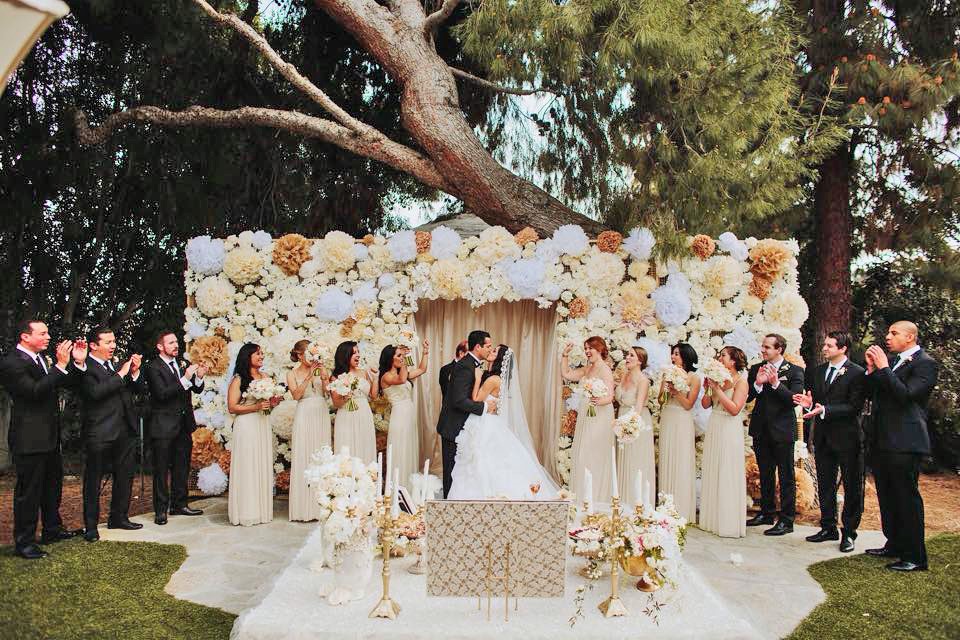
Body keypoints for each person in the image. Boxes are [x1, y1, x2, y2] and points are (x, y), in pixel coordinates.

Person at [0, 320, 86, 559]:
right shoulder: (11, 363)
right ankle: (24, 542)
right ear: (25, 337)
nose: (48, 337)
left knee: (52, 486)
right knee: (29, 492)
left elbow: (64, 383)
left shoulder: (42, 360)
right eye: (43, 333)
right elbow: (34, 392)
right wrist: (59, 365)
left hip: (49, 437)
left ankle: (52, 530)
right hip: (29, 438)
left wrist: (76, 363)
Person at [863, 321, 939, 572]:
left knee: (906, 498)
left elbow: (906, 395)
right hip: (884, 439)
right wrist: (873, 370)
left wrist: (884, 368)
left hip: (906, 441)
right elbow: (877, 394)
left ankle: (916, 556)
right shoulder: (894, 362)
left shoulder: (925, 363)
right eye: (888, 332)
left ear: (910, 337)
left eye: (894, 333)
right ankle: (894, 544)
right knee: (887, 495)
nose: (888, 337)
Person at [448, 344, 558, 500]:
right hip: (492, 422)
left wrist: (478, 379)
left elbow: (476, 399)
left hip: (484, 423)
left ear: (499, 358)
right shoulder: (500, 380)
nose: (490, 351)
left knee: (480, 460)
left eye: (494, 351)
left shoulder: (493, 379)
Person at [793, 331, 866, 553]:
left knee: (852, 486)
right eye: (824, 344)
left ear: (843, 348)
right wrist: (808, 404)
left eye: (830, 345)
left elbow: (855, 407)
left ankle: (849, 532)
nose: (824, 348)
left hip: (848, 438)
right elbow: (815, 403)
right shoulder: (818, 372)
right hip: (824, 437)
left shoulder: (857, 373)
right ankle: (828, 527)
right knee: (825, 483)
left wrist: (825, 409)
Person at [78, 326, 145, 542]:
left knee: (124, 476)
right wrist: (122, 374)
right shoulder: (84, 367)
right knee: (93, 480)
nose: (113, 345)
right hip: (100, 432)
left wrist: (134, 373)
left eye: (114, 341)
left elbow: (137, 391)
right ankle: (90, 526)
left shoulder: (116, 366)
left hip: (124, 431)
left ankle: (119, 517)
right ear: (93, 345)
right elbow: (95, 394)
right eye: (108, 342)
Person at [144, 330, 206, 526]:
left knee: (182, 467)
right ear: (160, 346)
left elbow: (195, 388)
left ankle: (179, 504)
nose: (175, 345)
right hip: (162, 426)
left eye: (176, 342)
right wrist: (186, 378)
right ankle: (161, 510)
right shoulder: (153, 367)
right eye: (171, 343)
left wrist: (199, 378)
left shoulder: (182, 364)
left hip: (183, 424)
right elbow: (162, 394)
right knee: (162, 469)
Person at [746, 333, 804, 536]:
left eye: (768, 347)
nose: (763, 350)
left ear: (779, 349)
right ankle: (767, 512)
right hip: (761, 429)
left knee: (786, 475)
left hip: (782, 431)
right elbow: (748, 397)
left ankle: (787, 520)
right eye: (763, 346)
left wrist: (775, 383)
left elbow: (793, 400)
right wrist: (758, 383)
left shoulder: (795, 371)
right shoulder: (755, 369)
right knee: (766, 472)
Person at [437, 330, 497, 497]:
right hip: (453, 427)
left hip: (464, 428)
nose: (490, 350)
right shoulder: (465, 366)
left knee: (459, 473)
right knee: (451, 473)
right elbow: (459, 400)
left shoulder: (474, 364)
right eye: (488, 346)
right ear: (478, 347)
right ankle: (448, 509)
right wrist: (484, 407)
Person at [699, 346, 749, 538]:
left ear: (734, 361)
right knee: (714, 467)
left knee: (727, 468)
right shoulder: (718, 379)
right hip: (715, 424)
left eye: (723, 356)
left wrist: (718, 390)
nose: (719, 358)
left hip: (729, 427)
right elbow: (705, 405)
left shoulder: (740, 382)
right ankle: (711, 519)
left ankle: (727, 521)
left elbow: (735, 409)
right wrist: (707, 389)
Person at [563, 336, 616, 505]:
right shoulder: (587, 369)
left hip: (600, 415)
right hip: (587, 414)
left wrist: (596, 401)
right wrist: (565, 356)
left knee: (594, 454)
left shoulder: (605, 370)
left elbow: (610, 396)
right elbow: (567, 374)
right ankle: (582, 497)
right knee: (584, 453)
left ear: (599, 349)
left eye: (590, 348)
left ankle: (597, 498)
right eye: (585, 348)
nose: (587, 352)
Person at [286, 340, 331, 522]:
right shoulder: (291, 373)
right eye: (309, 353)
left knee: (323, 457)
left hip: (321, 413)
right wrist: (309, 376)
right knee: (305, 456)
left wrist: (325, 378)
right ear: (299, 355)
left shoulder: (322, 370)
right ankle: (303, 508)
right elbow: (296, 395)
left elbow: (328, 393)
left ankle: (323, 507)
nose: (313, 357)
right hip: (304, 414)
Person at [657, 343, 700, 523]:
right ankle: (665, 508)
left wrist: (676, 391)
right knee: (667, 458)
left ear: (686, 356)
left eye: (677, 354)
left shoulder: (694, 378)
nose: (673, 357)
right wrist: (667, 389)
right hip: (668, 417)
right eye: (672, 354)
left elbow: (689, 404)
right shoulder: (667, 373)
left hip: (682, 419)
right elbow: (661, 400)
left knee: (681, 460)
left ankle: (681, 509)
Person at [380, 340, 428, 489]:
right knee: (400, 448)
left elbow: (422, 369)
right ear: (390, 358)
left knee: (409, 447)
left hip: (409, 415)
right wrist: (406, 358)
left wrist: (425, 351)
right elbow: (400, 379)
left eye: (402, 356)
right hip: (399, 415)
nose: (401, 358)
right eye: (399, 356)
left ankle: (410, 486)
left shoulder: (404, 374)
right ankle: (398, 488)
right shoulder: (386, 377)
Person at [615, 345, 655, 507]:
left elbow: (638, 407)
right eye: (627, 355)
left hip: (636, 422)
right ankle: (622, 501)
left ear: (640, 361)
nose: (627, 358)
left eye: (631, 355)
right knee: (624, 460)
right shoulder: (624, 376)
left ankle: (637, 503)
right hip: (622, 418)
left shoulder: (643, 381)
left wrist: (629, 426)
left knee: (635, 460)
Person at [329, 341, 379, 464]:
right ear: (345, 356)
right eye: (354, 353)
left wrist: (376, 377)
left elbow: (373, 396)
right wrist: (347, 393)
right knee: (348, 447)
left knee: (364, 444)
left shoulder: (364, 372)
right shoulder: (336, 377)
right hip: (347, 415)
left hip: (364, 414)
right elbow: (337, 403)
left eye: (358, 352)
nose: (357, 355)